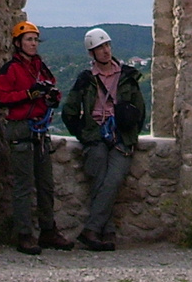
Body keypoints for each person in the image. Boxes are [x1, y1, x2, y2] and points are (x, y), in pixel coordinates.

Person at [61, 27, 147, 252]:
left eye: (107, 46)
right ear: (92, 53)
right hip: (96, 135)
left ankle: (92, 229)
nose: (106, 51)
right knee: (100, 179)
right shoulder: (85, 80)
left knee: (112, 180)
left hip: (121, 136)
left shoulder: (127, 77)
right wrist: (85, 134)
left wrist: (131, 132)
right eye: (100, 48)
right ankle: (106, 232)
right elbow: (69, 111)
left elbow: (140, 110)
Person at [0, 20, 74, 255]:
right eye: (28, 40)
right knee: (24, 185)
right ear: (18, 43)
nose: (33, 44)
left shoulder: (40, 67)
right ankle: (25, 234)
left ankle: (48, 230)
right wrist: (28, 94)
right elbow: (0, 99)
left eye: (35, 40)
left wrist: (51, 97)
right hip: (21, 128)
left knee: (45, 184)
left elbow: (52, 89)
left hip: (39, 131)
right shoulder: (12, 69)